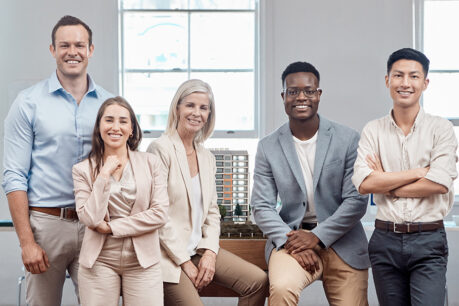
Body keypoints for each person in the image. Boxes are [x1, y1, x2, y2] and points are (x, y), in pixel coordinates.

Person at [2, 15, 112, 306]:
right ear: (52, 50)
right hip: (46, 225)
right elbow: (13, 176)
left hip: (95, 226)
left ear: (91, 50)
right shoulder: (28, 103)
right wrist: (27, 242)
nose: (72, 51)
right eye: (64, 45)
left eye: (79, 45)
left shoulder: (109, 105)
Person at [251, 61, 370, 306]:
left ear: (319, 94)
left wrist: (316, 237)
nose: (301, 97)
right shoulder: (268, 146)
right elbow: (262, 206)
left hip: (343, 241)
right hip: (291, 238)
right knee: (282, 288)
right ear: (284, 96)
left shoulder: (348, 139)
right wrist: (290, 240)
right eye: (293, 92)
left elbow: (356, 201)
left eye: (309, 90)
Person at [147, 79, 268, 306]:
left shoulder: (207, 157)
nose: (196, 113)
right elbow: (158, 215)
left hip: (198, 249)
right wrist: (185, 263)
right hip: (168, 257)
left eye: (203, 108)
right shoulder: (160, 149)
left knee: (258, 282)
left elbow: (212, 212)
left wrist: (211, 253)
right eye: (190, 105)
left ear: (209, 114)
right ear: (177, 108)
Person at [352, 48, 457, 306]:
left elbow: (439, 183)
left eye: (413, 76)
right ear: (388, 80)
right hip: (384, 240)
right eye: (398, 75)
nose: (405, 83)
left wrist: (386, 182)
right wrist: (419, 172)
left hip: (428, 240)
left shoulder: (441, 128)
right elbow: (365, 184)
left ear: (425, 83)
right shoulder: (372, 130)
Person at [72, 96, 168, 305]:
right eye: (109, 120)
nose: (116, 127)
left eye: (123, 121)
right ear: (99, 126)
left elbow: (160, 213)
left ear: (132, 128)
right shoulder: (82, 170)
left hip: (143, 262)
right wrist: (103, 175)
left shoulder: (151, 163)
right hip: (99, 261)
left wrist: (112, 227)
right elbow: (89, 218)